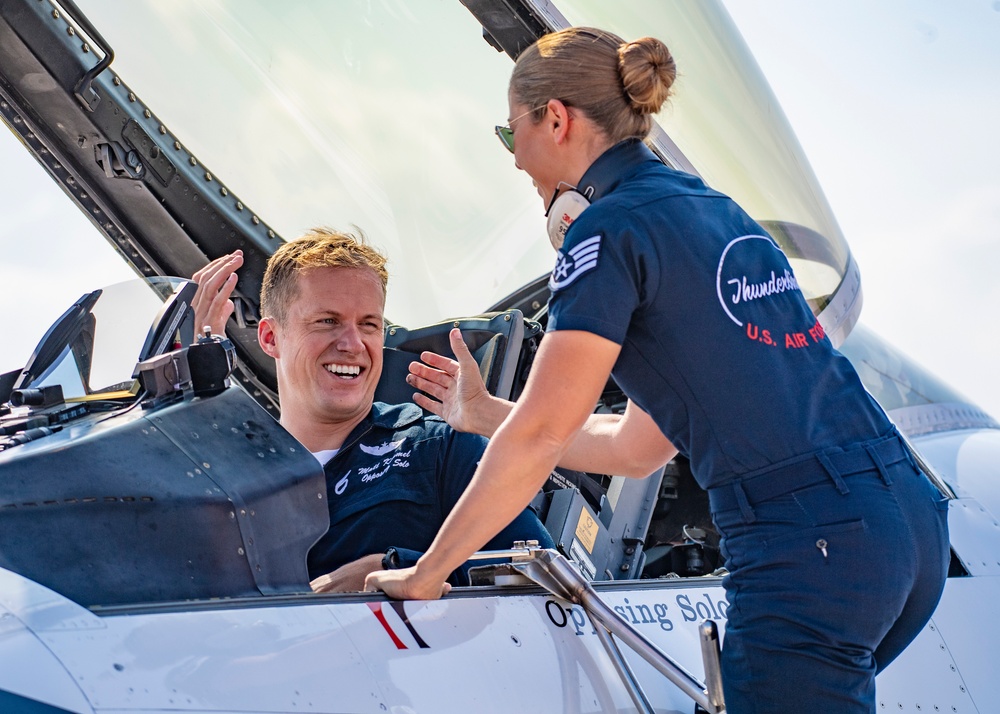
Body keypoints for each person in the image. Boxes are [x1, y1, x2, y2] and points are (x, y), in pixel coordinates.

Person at [365, 27, 950, 713]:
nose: (516, 158)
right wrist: (488, 413)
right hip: (907, 524)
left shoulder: (606, 233)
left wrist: (429, 572)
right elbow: (639, 449)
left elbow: (544, 436)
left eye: (511, 133)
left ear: (555, 120)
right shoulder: (717, 210)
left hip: (811, 549)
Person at [191, 228, 555, 594]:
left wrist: (394, 570)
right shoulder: (226, 481)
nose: (352, 344)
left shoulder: (437, 449)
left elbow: (544, 581)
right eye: (327, 321)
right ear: (270, 338)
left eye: (369, 325)